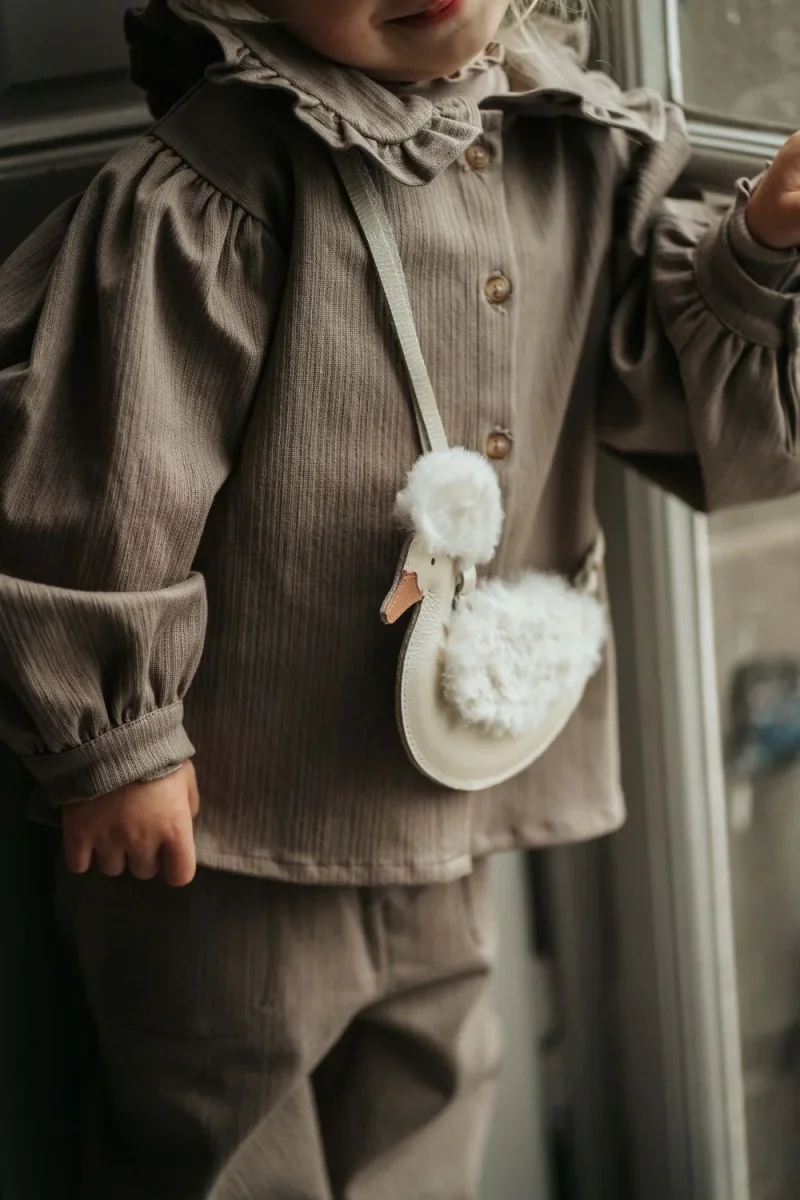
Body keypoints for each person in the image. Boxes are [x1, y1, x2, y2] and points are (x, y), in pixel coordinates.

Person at [1, 0, 800, 1195]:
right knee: (219, 1132)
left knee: (432, 1098)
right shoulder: (220, 184)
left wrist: (758, 251)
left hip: (449, 793)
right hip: (223, 828)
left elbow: (665, 386)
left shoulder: (567, 142)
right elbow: (108, 463)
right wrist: (114, 736)